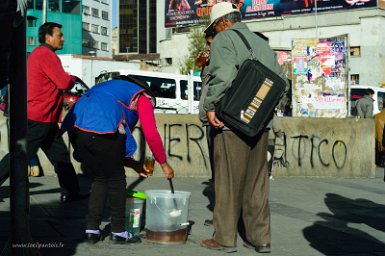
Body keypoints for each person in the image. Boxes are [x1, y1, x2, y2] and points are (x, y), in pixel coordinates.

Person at [200, 2, 289, 253]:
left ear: (223, 23)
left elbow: (224, 75)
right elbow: (282, 83)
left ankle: (225, 239)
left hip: (233, 123)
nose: (215, 33)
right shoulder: (261, 43)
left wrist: (211, 105)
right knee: (257, 183)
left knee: (228, 181)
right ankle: (260, 238)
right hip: (260, 123)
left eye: (215, 27)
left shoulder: (224, 39)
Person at [61, 76, 175, 244]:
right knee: (116, 180)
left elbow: (110, 151)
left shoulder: (107, 87)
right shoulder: (142, 96)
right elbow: (150, 133)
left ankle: (91, 229)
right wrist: (164, 163)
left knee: (100, 178)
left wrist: (134, 164)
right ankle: (119, 231)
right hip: (104, 130)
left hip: (78, 129)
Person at [0, 22, 85, 203]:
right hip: (39, 117)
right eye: (59, 35)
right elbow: (63, 83)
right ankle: (71, 192)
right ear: (48, 37)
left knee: (60, 156)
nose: (62, 38)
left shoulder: (40, 54)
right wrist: (72, 78)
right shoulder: (46, 55)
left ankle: (72, 192)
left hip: (46, 118)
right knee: (18, 156)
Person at [197, 30, 215, 182]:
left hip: (215, 118)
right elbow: (205, 85)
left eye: (210, 43)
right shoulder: (210, 62)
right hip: (208, 120)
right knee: (215, 165)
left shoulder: (222, 61)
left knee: (219, 163)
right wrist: (203, 67)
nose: (207, 48)